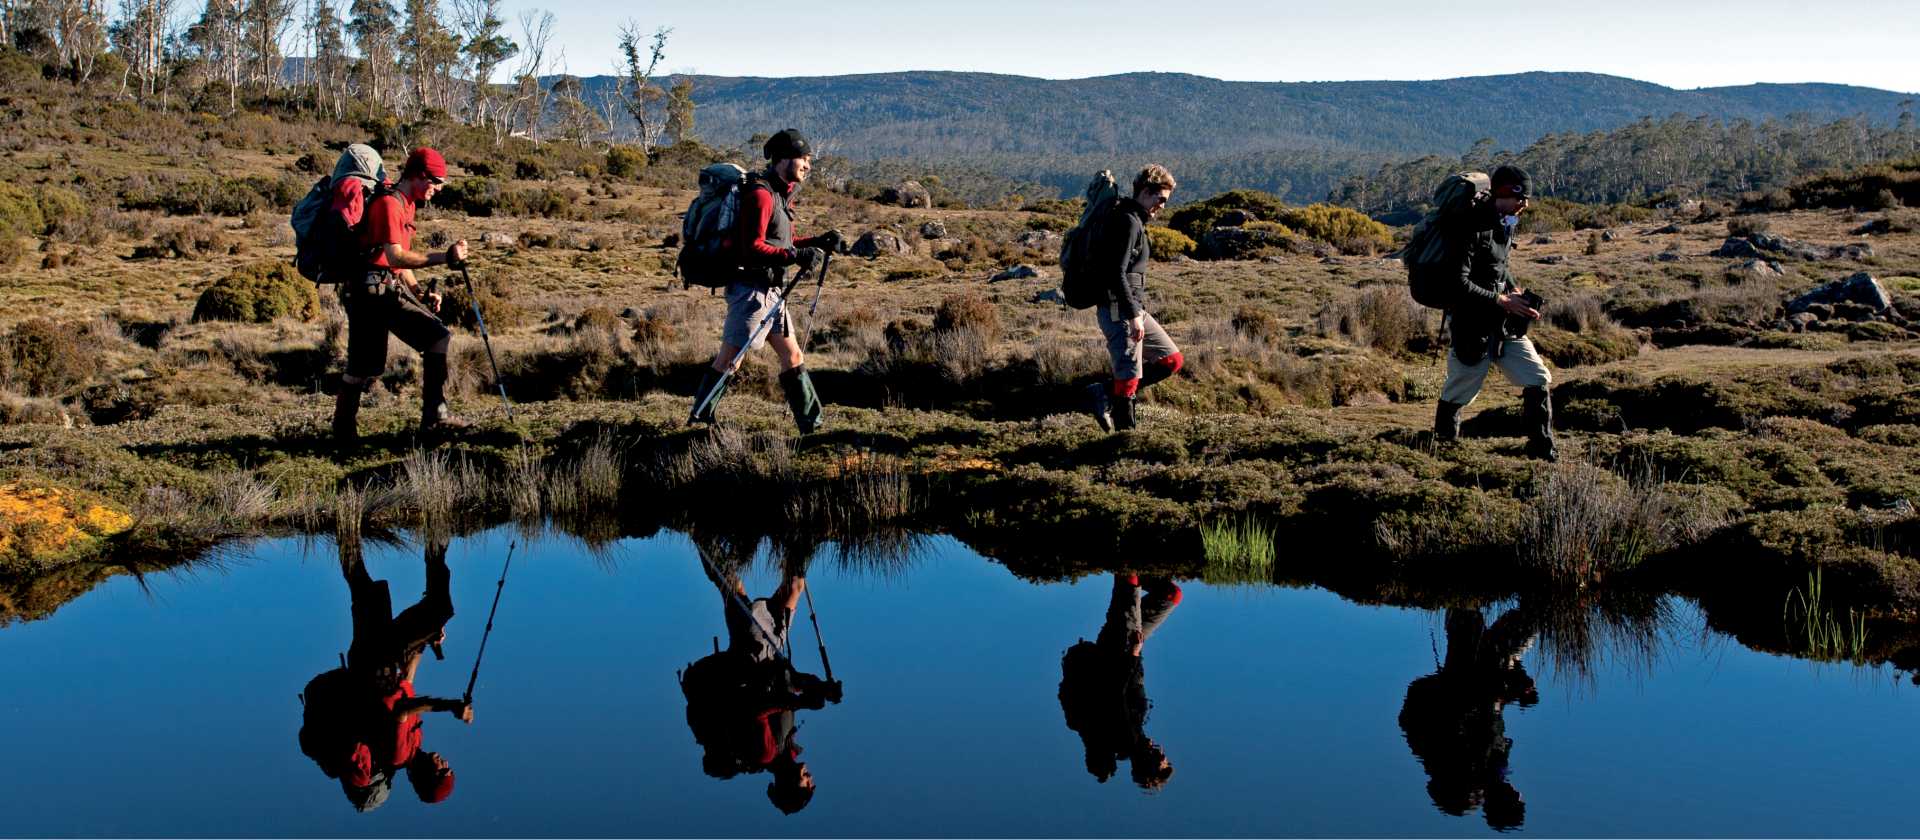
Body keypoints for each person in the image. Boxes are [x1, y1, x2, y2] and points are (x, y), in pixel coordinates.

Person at [300, 533, 473, 811]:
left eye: (443, 771)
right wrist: (424, 645)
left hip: (376, 661)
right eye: (448, 769)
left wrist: (450, 706)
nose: (445, 763)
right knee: (363, 587)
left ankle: (432, 541)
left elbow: (402, 707)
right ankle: (348, 524)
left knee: (437, 608)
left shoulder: (398, 754)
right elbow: (407, 683)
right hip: (381, 662)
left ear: (427, 777)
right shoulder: (414, 744)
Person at [687, 129, 844, 433]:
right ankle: (699, 420)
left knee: (793, 355)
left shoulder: (780, 195)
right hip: (750, 292)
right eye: (804, 158)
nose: (808, 165)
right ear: (784, 159)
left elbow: (782, 239)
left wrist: (817, 242)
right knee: (730, 360)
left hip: (773, 291)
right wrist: (795, 256)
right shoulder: (761, 195)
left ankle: (812, 426)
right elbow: (753, 247)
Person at [680, 529, 839, 815]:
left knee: (731, 586)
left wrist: (803, 701)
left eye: (806, 785)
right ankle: (797, 527)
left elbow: (757, 708)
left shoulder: (765, 753)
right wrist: (822, 689)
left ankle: (697, 528)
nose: (811, 779)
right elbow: (792, 684)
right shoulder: (788, 745)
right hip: (774, 652)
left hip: (750, 653)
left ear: (789, 784)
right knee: (795, 587)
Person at [332, 146, 472, 445]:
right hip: (371, 291)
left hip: (375, 288)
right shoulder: (389, 205)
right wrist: (445, 257)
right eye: (435, 182)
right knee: (429, 341)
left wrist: (420, 292)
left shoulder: (406, 205)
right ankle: (432, 421)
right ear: (419, 175)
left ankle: (344, 432)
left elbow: (398, 261)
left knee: (368, 364)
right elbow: (395, 257)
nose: (437, 189)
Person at [1432, 164, 1557, 461]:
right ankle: (1443, 452)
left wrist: (1513, 291)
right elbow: (1456, 283)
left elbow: (1499, 268)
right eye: (1520, 198)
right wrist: (1503, 301)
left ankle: (1543, 453)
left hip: (1503, 325)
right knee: (1460, 391)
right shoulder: (1470, 227)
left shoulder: (1505, 223)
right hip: (1470, 324)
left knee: (1538, 377)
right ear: (1504, 193)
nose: (1524, 205)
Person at [1398, 606, 1539, 831]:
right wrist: (1514, 690)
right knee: (1475, 636)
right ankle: (1465, 598)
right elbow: (1491, 712)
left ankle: (1533, 605)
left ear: (1504, 800)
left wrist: (1507, 689)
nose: (1517, 790)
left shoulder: (1478, 768)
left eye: (1515, 797)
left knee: (1483, 638)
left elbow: (1476, 712)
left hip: (1461, 686)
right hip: (1464, 684)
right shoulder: (1492, 768)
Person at [1058, 574, 1182, 790]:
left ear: (1147, 760)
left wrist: (1133, 653)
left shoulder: (1125, 738)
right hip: (1128, 647)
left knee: (1129, 581)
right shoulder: (1134, 734)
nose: (1161, 750)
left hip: (1120, 649)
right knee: (1171, 596)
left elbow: (1115, 692)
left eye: (1160, 757)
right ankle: (1148, 565)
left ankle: (1120, 551)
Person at [1084, 165, 1184, 432]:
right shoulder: (1127, 221)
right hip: (1120, 310)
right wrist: (1133, 316)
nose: (1162, 206)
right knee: (1128, 375)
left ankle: (1103, 392)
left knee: (1171, 360)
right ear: (1145, 192)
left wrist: (1137, 313)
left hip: (1132, 308)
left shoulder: (1134, 218)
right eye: (1160, 199)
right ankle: (1125, 440)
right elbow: (1114, 272)